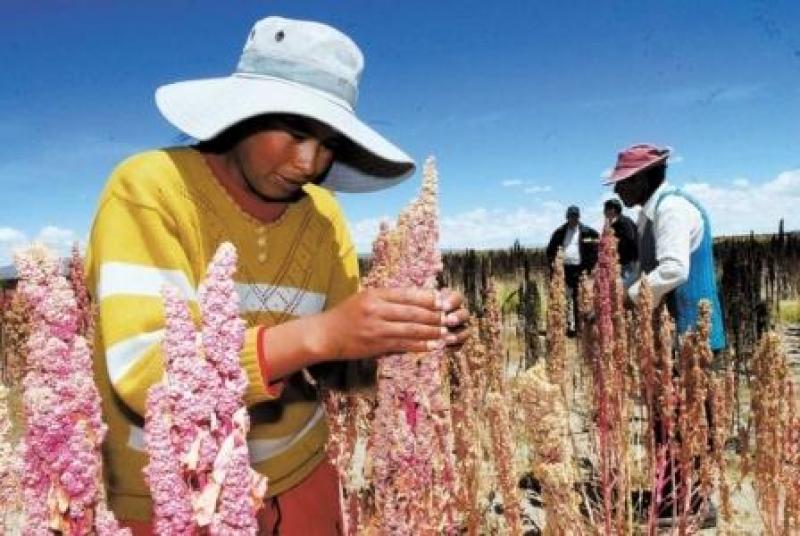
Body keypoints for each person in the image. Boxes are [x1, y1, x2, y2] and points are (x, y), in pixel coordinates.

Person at [85, 16, 469, 535]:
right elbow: (145, 374)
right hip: (172, 496)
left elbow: (336, 366)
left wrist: (404, 338)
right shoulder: (149, 190)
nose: (309, 161)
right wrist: (319, 334)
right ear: (241, 116)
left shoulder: (322, 217)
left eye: (328, 143)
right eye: (294, 133)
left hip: (301, 479)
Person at [605, 143, 725, 528]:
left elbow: (673, 270)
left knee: (685, 418)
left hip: (691, 331)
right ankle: (676, 495)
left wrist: (627, 298)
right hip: (673, 334)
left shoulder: (671, 209)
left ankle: (695, 503)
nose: (617, 191)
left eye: (622, 182)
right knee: (669, 418)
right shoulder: (651, 213)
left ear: (642, 178)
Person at [545, 205, 599, 336]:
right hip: (564, 269)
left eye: (575, 216)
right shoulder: (559, 232)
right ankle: (566, 327)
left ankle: (580, 328)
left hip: (580, 269)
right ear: (567, 217)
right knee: (563, 298)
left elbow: (596, 248)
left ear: (579, 217)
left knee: (579, 298)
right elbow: (550, 250)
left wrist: (591, 266)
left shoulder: (588, 232)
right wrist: (554, 265)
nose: (573, 219)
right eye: (571, 216)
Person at [603, 197, 638, 282]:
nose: (604, 212)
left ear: (613, 210)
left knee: (627, 287)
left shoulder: (625, 222)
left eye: (606, 209)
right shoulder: (611, 224)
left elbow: (631, 239)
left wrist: (614, 244)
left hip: (627, 262)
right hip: (618, 263)